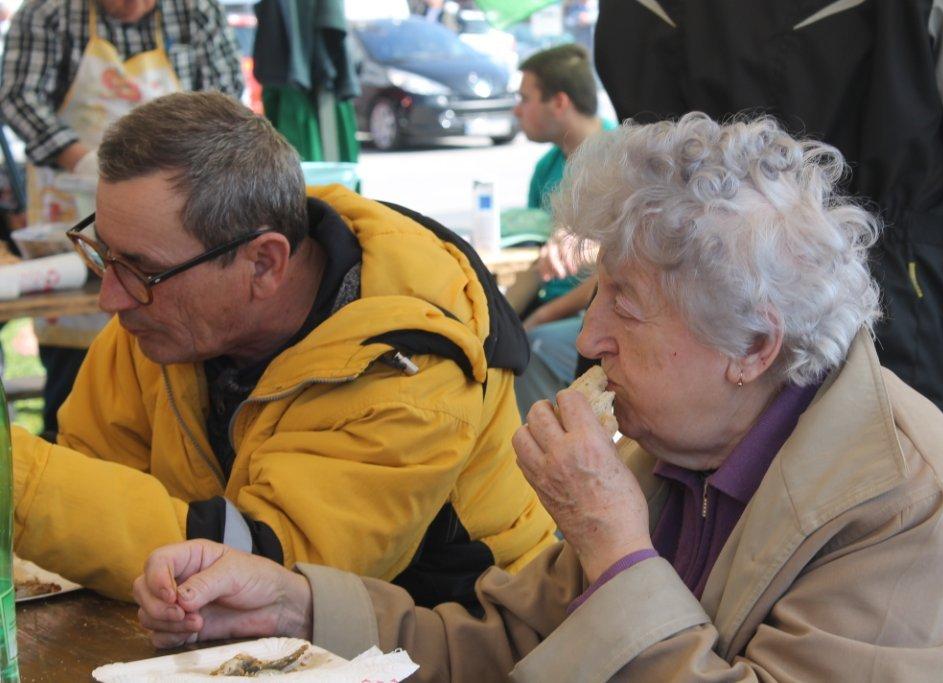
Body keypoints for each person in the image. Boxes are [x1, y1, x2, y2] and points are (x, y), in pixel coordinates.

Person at [134, 115, 943, 680]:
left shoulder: (906, 512)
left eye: (624, 308)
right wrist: (296, 605)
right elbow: (516, 641)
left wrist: (615, 548)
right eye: (596, 293)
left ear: (753, 346)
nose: (589, 338)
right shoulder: (685, 444)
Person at [10, 91, 556, 603]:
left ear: (265, 262)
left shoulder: (411, 369)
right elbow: (95, 484)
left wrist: (16, 478)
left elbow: (268, 573)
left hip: (464, 645)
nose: (111, 297)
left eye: (141, 269)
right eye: (104, 254)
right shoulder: (162, 318)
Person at [591, 0, 943, 461]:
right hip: (904, 323)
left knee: (706, 517)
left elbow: (641, 143)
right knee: (925, 511)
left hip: (695, 332)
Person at [0, 0, 245, 439]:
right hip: (70, 212)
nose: (127, 5)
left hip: (172, 225)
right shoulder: (47, 13)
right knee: (77, 401)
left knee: (180, 391)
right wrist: (84, 163)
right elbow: (16, 96)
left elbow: (226, 104)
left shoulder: (196, 12)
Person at [509, 43, 609, 416]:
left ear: (560, 102)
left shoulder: (621, 159)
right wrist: (496, 319)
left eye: (525, 98)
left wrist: (535, 321)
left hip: (593, 309)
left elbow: (612, 277)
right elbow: (540, 264)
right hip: (552, 305)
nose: (517, 110)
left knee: (532, 346)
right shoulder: (547, 167)